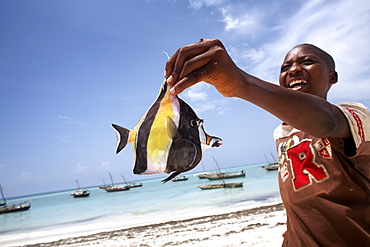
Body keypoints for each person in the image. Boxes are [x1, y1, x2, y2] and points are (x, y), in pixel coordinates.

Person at [164, 39, 370, 246]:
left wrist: (241, 83)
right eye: (285, 67)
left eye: (307, 62)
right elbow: (301, 202)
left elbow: (328, 121)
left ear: (332, 77)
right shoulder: (281, 134)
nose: (294, 70)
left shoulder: (355, 116)